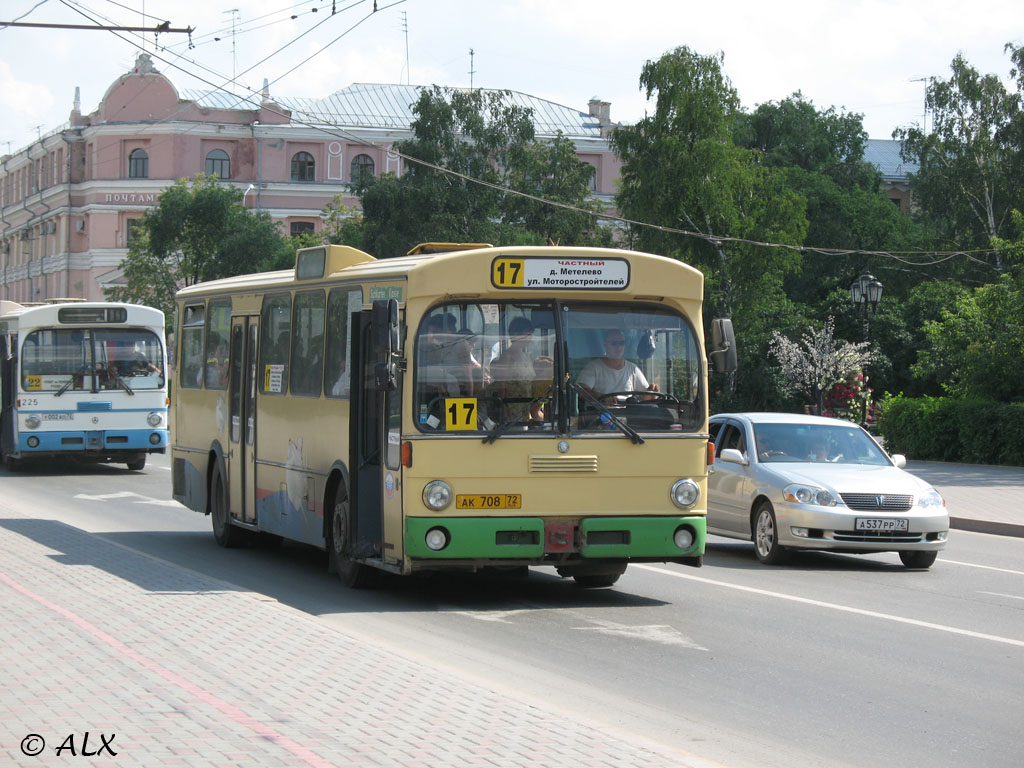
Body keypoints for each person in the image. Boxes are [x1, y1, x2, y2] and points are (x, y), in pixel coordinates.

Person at [577, 329, 660, 402]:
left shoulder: (633, 369)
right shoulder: (593, 367)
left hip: (628, 415)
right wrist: (602, 397)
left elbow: (646, 396)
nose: (619, 347)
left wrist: (653, 391)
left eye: (622, 343)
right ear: (605, 345)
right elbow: (581, 392)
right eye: (614, 343)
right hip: (602, 415)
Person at [488, 316, 539, 422]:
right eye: (527, 334)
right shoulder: (507, 357)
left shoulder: (526, 356)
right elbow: (501, 384)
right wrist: (504, 407)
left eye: (530, 334)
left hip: (525, 406)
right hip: (512, 408)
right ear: (516, 334)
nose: (529, 338)